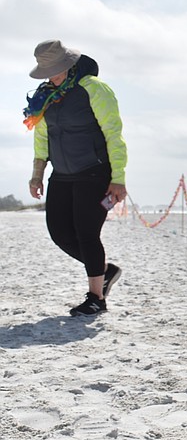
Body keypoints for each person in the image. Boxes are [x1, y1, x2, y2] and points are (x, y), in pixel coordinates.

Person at [23, 40, 127, 316]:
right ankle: (104, 271)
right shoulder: (44, 96)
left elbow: (113, 134)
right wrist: (37, 174)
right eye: (47, 72)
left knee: (86, 233)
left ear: (69, 65)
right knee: (59, 233)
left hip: (95, 172)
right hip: (62, 174)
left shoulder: (94, 88)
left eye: (55, 70)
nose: (51, 77)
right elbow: (42, 137)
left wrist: (118, 178)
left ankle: (96, 299)